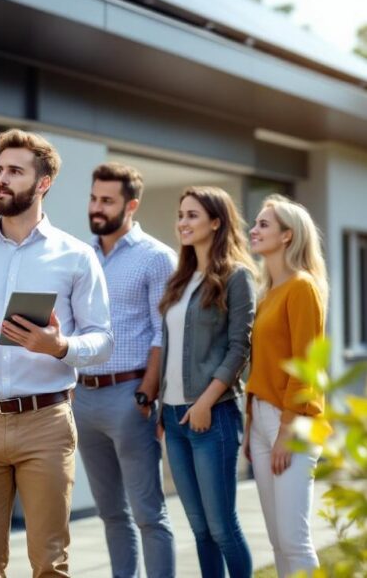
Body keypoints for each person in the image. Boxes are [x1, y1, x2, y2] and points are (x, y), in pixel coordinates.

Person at [0, 129, 114, 578]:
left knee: (50, 563)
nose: (2, 180)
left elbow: (103, 339)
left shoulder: (75, 256)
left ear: (43, 183)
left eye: (15, 171)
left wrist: (60, 346)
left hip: (45, 423)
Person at [73, 162, 176, 578]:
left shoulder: (156, 258)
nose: (97, 208)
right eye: (94, 198)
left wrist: (145, 396)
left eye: (107, 201)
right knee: (111, 514)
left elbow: (161, 333)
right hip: (83, 397)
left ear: (131, 205)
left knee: (148, 514)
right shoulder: (82, 255)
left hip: (130, 394)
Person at [158, 186, 256, 578]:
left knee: (222, 527)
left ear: (216, 222)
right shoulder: (180, 281)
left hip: (212, 417)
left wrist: (204, 402)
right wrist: (165, 408)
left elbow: (239, 348)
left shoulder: (237, 277)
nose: (183, 222)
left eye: (193, 215)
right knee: (199, 530)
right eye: (181, 214)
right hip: (175, 417)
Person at [244, 194, 329, 577]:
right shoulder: (267, 294)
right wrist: (252, 427)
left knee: (295, 540)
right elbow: (261, 366)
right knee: (277, 540)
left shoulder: (302, 287)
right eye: (256, 223)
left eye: (264, 224)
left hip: (292, 424)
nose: (254, 229)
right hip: (263, 419)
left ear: (287, 236)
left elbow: (307, 364)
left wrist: (286, 431)